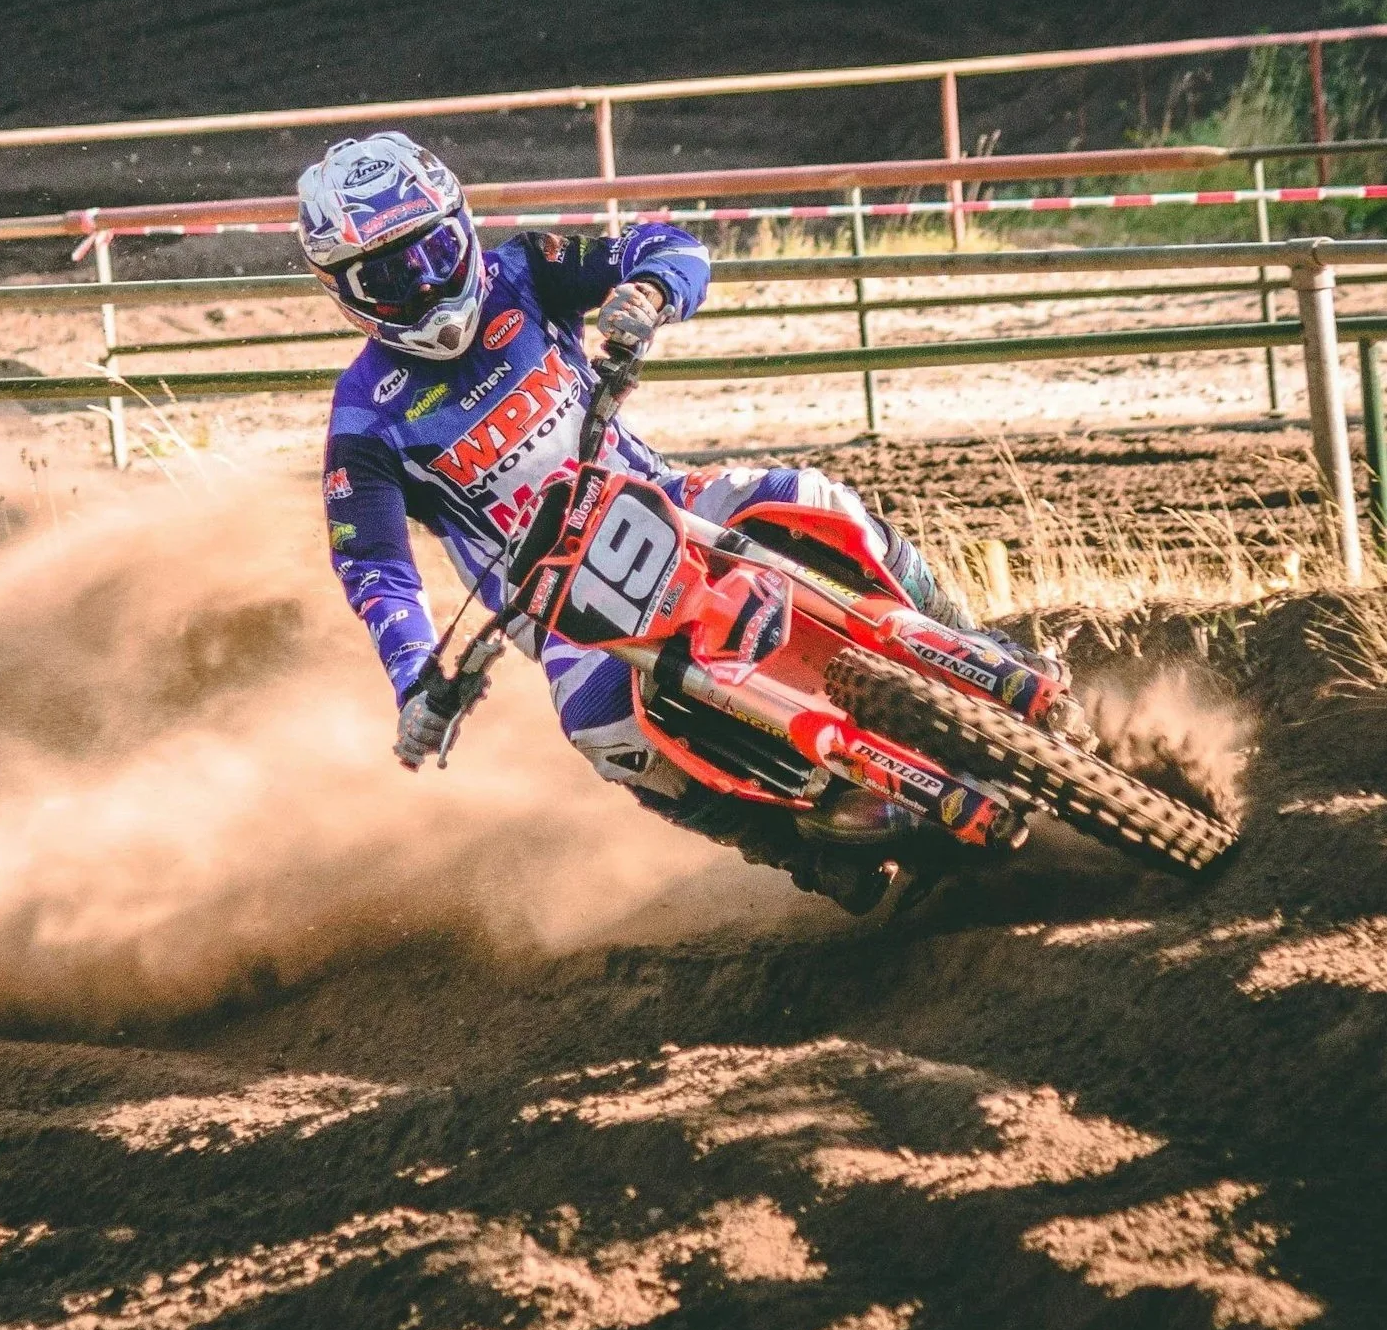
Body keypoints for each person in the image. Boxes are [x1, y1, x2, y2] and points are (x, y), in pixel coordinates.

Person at [301, 132, 1032, 869]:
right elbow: (373, 566)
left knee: (808, 496)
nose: (426, 284)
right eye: (389, 275)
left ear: (462, 225)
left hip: (666, 503)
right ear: (344, 291)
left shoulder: (522, 270)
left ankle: (969, 641)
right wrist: (416, 678)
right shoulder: (364, 417)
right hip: (559, 614)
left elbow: (668, 245)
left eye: (435, 252)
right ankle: (784, 846)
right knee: (604, 731)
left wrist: (649, 291)